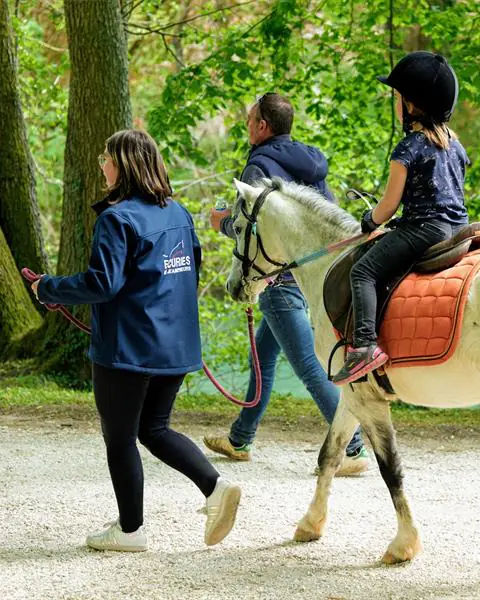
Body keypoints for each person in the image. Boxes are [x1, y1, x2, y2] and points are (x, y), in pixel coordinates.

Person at [31, 129, 240, 552]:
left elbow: (102, 283)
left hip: (127, 349)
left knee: (122, 436)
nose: (101, 165)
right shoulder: (179, 212)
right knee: (155, 428)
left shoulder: (116, 218)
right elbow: (189, 268)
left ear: (122, 164)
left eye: (105, 158)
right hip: (176, 346)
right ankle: (216, 488)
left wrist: (47, 289)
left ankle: (130, 531)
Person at [204, 92, 368, 475]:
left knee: (309, 365)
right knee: (262, 354)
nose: (246, 126)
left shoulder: (258, 167)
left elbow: (253, 227)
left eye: (248, 120)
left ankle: (353, 448)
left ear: (262, 126)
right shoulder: (309, 162)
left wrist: (221, 222)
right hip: (312, 273)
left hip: (277, 278)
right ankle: (240, 438)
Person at [331, 52, 470, 385]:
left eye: (398, 97)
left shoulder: (408, 148)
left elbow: (388, 207)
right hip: (459, 229)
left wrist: (368, 220)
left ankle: (364, 347)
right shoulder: (456, 144)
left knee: (363, 270)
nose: (396, 103)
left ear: (411, 105)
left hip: (425, 231)